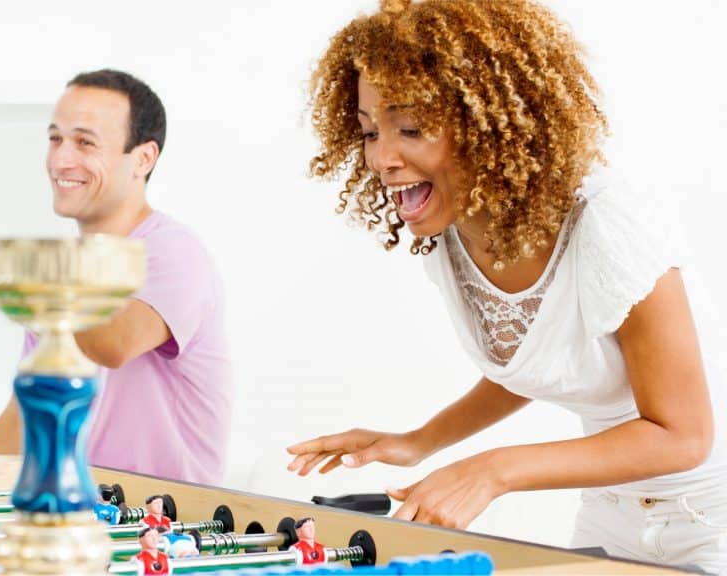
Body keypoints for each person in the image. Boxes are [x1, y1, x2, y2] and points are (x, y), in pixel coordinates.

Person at [285, 0, 726, 573]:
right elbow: (541, 359)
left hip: (711, 515)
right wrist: (421, 441)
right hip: (610, 511)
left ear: (486, 123)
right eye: (370, 131)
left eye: (411, 128)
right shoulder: (448, 230)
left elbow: (683, 436)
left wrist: (491, 470)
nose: (382, 158)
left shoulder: (607, 224)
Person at [0, 68, 232, 485]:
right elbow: (28, 416)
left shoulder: (174, 252)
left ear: (143, 158)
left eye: (85, 142)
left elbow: (113, 343)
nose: (61, 159)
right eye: (55, 139)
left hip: (164, 529)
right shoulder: (60, 281)